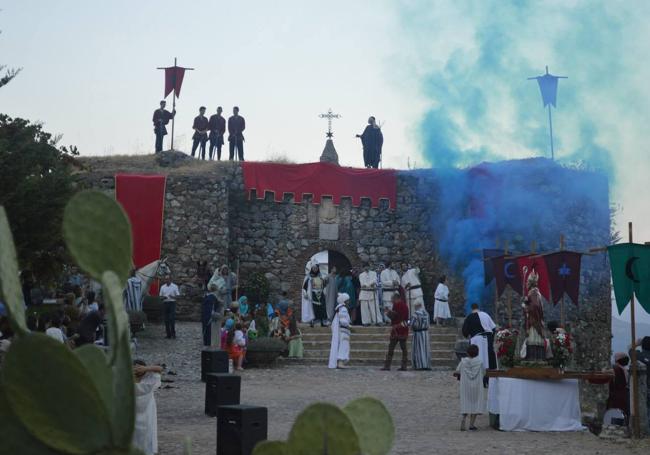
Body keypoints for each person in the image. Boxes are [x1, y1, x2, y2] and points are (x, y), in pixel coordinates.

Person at [133, 360, 163, 455]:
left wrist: (145, 369)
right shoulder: (150, 383)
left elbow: (160, 369)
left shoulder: (127, 384)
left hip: (138, 414)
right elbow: (159, 369)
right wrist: (146, 368)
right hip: (143, 416)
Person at [454, 344, 486, 431]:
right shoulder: (480, 362)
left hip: (465, 386)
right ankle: (471, 425)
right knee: (475, 404)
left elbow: (457, 371)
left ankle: (463, 418)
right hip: (477, 386)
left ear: (467, 353)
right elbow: (484, 373)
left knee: (466, 402)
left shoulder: (463, 362)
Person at [461, 303, 496, 370]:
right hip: (488, 338)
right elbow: (493, 328)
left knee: (477, 356)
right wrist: (491, 339)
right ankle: (491, 376)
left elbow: (465, 331)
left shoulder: (469, 317)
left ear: (472, 308)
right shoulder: (486, 315)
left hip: (476, 340)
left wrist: (468, 336)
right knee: (489, 358)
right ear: (478, 308)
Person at [521, 268, 545, 361]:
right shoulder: (534, 292)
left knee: (534, 338)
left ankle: (534, 359)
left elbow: (535, 306)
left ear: (530, 283)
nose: (526, 283)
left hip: (534, 320)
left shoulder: (534, 292)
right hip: (534, 319)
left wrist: (526, 307)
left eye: (527, 281)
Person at [382, 293, 409, 371]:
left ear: (396, 298)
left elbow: (394, 316)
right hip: (403, 329)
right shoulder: (405, 306)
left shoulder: (397, 305)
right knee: (404, 349)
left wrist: (387, 312)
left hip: (397, 330)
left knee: (391, 348)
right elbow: (406, 319)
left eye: (392, 299)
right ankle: (404, 366)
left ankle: (387, 366)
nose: (391, 301)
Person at [328, 293, 351, 369]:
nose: (349, 302)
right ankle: (340, 362)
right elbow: (343, 321)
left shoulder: (340, 308)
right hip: (343, 331)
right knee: (343, 346)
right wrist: (349, 325)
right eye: (347, 300)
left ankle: (340, 362)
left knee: (342, 345)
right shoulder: (343, 309)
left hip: (342, 330)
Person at [302, 262, 326, 327]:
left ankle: (322, 322)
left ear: (318, 268)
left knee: (322, 308)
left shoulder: (321, 276)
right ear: (312, 269)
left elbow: (324, 285)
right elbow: (304, 287)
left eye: (316, 268)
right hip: (312, 294)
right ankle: (312, 322)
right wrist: (305, 294)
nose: (315, 269)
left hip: (320, 294)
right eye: (314, 268)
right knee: (313, 309)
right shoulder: (308, 277)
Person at [607, 352, 630, 418]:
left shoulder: (615, 369)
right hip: (625, 394)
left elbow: (604, 372)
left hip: (616, 396)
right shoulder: (626, 370)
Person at [411, 301, 431, 370]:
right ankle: (426, 365)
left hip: (418, 334)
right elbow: (428, 323)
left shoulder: (415, 314)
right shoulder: (426, 313)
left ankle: (420, 365)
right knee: (425, 349)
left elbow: (412, 324)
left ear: (416, 306)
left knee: (419, 349)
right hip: (425, 333)